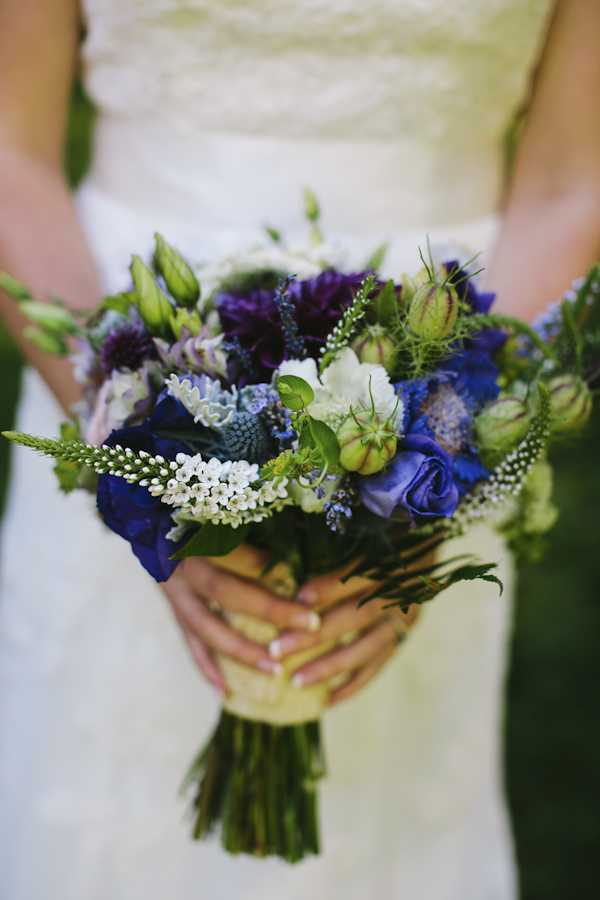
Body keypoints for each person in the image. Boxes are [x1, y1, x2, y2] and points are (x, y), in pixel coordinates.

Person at [0, 1, 598, 898]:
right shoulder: (123, 402)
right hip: (124, 351)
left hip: (443, 379)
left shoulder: (445, 431)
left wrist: (443, 469)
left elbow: (570, 182)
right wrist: (132, 451)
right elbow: (10, 150)